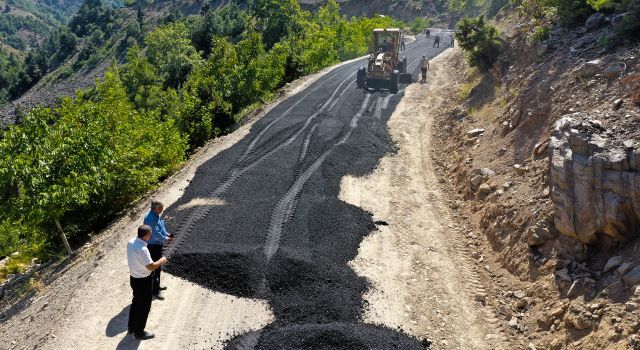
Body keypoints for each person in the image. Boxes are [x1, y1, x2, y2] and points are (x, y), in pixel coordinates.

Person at [127, 225, 168, 340]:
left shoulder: (131, 242)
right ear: (145, 236)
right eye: (150, 235)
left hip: (134, 278)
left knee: (136, 302)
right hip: (143, 281)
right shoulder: (143, 249)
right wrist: (162, 260)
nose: (150, 237)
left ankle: (131, 327)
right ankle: (139, 332)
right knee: (144, 307)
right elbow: (151, 267)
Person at [143, 200, 173, 300]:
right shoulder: (150, 218)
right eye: (161, 208)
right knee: (155, 268)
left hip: (156, 245)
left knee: (158, 268)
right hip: (153, 246)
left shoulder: (154, 214)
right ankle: (155, 291)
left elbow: (160, 226)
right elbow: (155, 234)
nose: (162, 210)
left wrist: (166, 233)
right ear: (155, 208)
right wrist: (165, 238)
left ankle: (157, 286)